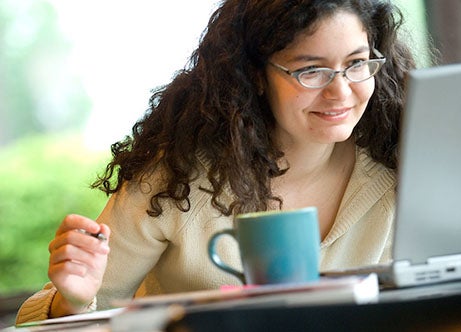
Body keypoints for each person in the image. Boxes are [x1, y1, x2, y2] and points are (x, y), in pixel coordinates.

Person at [16, 0, 416, 324]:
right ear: (257, 76)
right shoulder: (178, 180)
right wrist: (71, 302)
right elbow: (65, 316)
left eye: (357, 64)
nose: (341, 91)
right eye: (311, 70)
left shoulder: (400, 166)